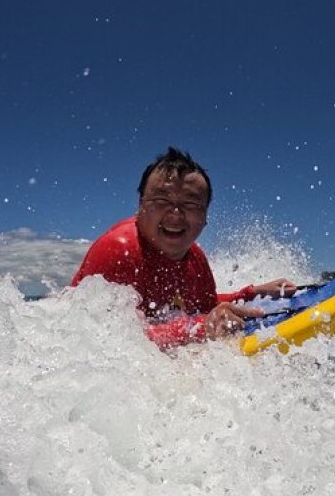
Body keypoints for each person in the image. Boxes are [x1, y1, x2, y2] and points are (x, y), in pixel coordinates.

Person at [70, 147, 296, 348]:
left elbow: (203, 307)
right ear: (140, 206)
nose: (175, 214)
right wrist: (198, 328)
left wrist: (250, 293)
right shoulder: (119, 249)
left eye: (190, 204)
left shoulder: (195, 258)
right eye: (161, 201)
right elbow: (102, 340)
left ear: (205, 216)